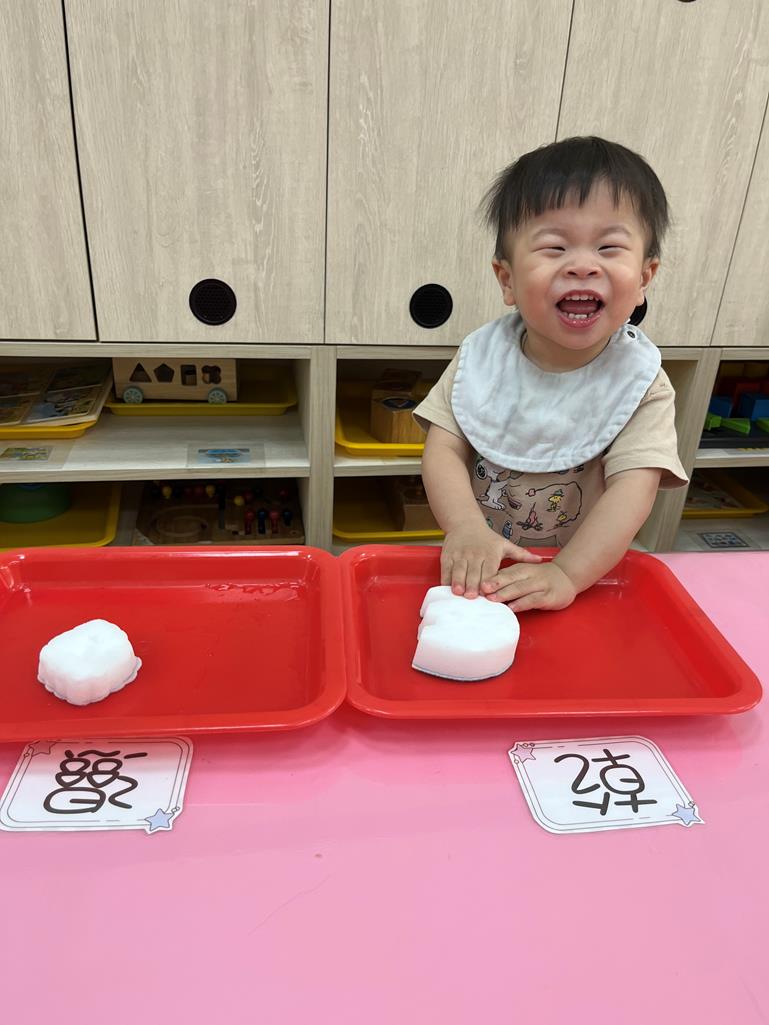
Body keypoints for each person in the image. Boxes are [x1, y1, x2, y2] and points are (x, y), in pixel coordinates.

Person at [414, 136, 688, 613]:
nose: (582, 266)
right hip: (483, 562)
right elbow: (443, 448)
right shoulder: (482, 358)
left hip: (581, 574)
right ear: (507, 280)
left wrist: (567, 573)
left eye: (609, 247)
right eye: (555, 247)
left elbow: (634, 489)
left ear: (644, 278)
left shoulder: (642, 384)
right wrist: (464, 528)